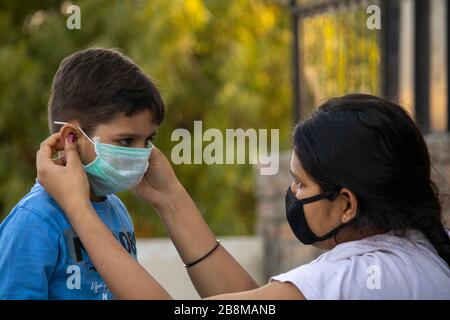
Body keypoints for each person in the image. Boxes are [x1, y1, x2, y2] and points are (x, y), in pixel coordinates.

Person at [36, 94, 450, 299]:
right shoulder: (414, 254)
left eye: (301, 184)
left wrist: (77, 208)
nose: (292, 194)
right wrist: (169, 198)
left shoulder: (358, 278)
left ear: (346, 203)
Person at [0, 48, 164, 299]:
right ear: (72, 137)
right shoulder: (35, 219)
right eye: (126, 140)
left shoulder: (117, 210)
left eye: (148, 140)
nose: (141, 154)